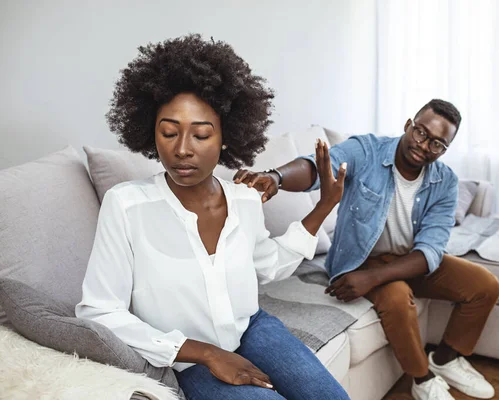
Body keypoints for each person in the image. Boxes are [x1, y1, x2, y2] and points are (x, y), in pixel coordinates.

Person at [75, 34, 350, 400]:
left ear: (225, 138)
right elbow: (98, 311)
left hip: (252, 328)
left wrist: (323, 206)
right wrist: (204, 352)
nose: (182, 149)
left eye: (201, 134)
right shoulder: (125, 205)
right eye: (169, 132)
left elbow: (267, 266)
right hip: (185, 358)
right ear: (150, 132)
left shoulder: (244, 198)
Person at [235, 99, 499, 400]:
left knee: (484, 285)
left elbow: (430, 251)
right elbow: (319, 169)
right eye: (421, 133)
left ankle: (445, 359)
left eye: (438, 144)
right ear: (408, 125)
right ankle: (422, 379)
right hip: (358, 260)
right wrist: (276, 177)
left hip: (408, 260)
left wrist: (374, 278)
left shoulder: (445, 182)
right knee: (397, 298)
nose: (424, 146)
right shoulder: (366, 150)